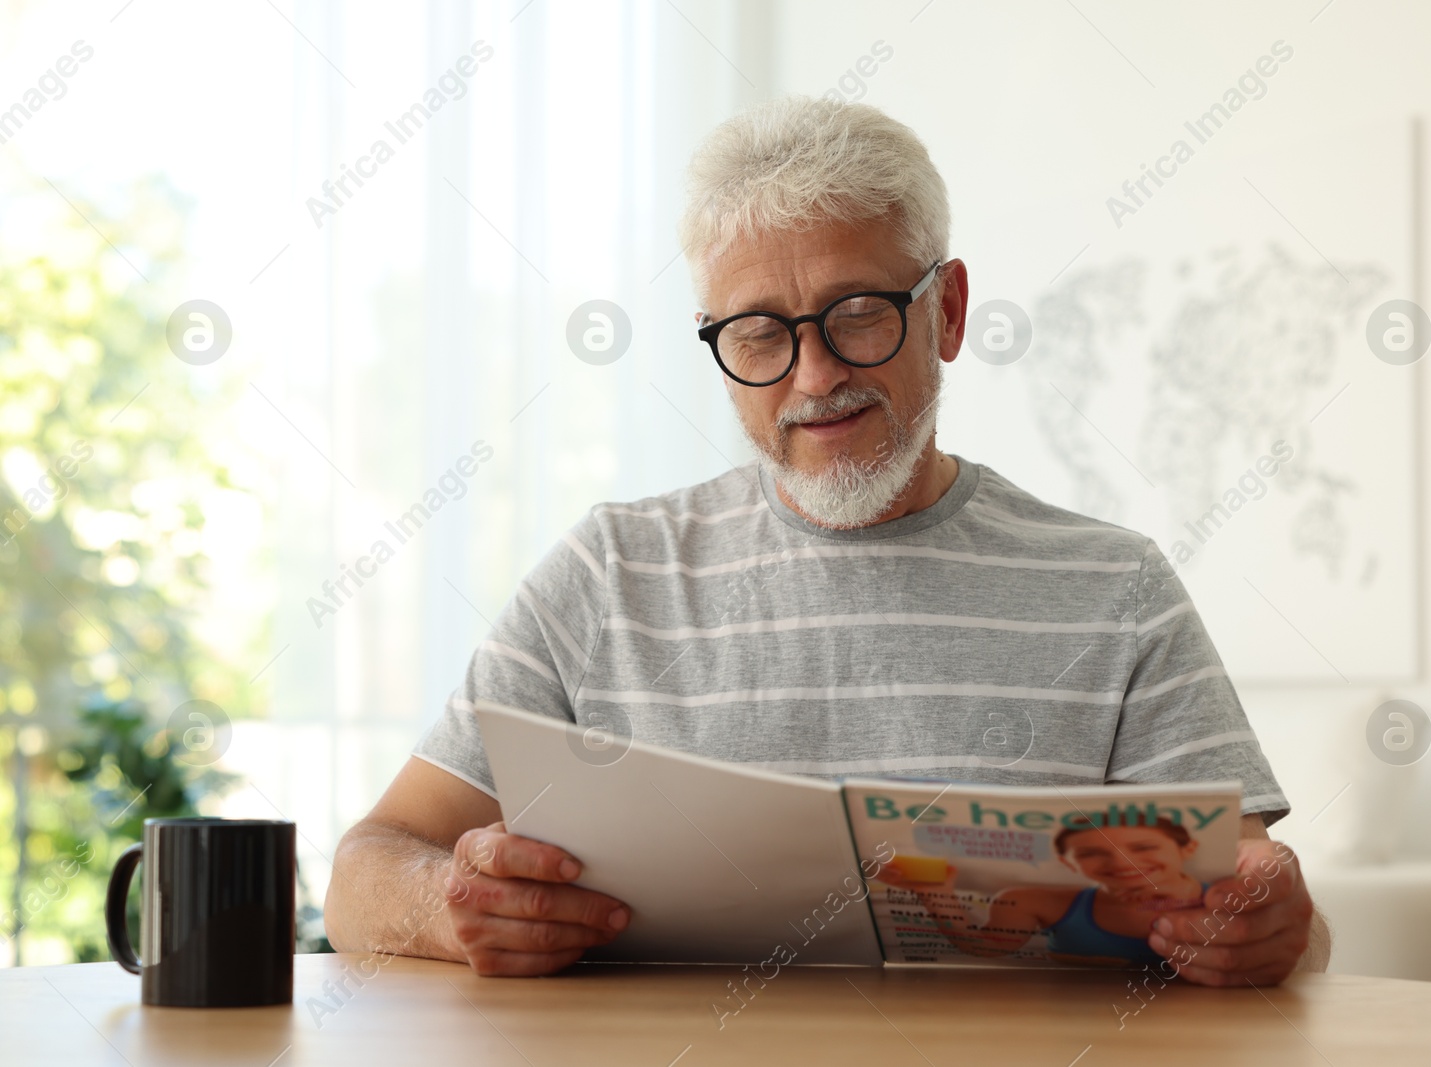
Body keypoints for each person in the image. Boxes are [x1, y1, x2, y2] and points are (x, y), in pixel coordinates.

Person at [325, 94, 1329, 986]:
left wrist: (1266, 927)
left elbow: (1272, 909)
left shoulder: (1115, 587)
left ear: (948, 310)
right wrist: (448, 909)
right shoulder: (607, 574)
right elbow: (365, 871)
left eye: (856, 314)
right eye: (759, 332)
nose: (812, 377)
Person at [873, 816, 1216, 968]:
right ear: (1070, 865)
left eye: (1143, 846)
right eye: (1091, 852)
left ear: (1188, 848)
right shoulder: (1036, 901)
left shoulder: (1222, 898)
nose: (1122, 862)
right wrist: (936, 894)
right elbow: (985, 948)